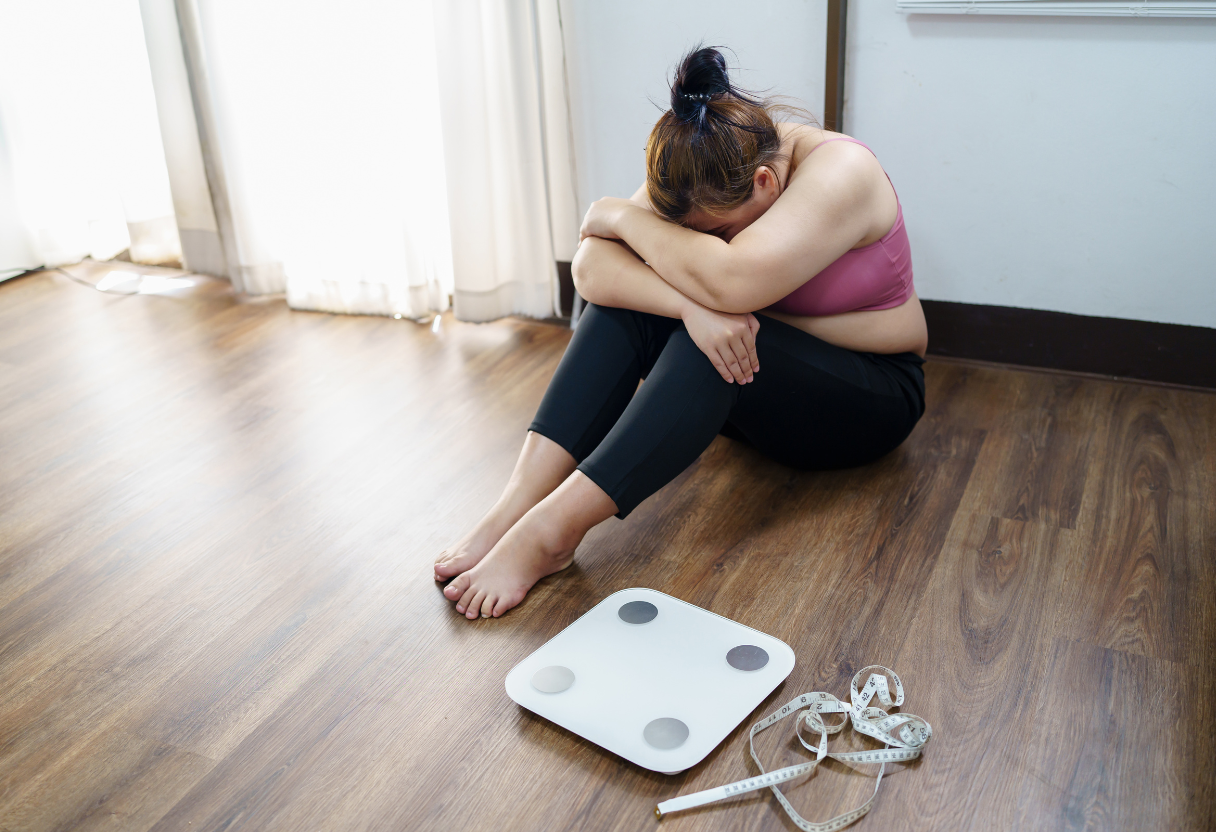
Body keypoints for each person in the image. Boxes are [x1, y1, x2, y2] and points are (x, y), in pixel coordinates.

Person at [434, 46, 927, 620]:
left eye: (714, 233)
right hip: (754, 375)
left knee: (715, 336)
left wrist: (618, 217)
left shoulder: (841, 173)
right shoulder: (705, 160)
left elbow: (731, 282)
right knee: (641, 309)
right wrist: (688, 304)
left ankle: (550, 533)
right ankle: (513, 508)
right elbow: (593, 273)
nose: (704, 243)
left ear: (765, 183)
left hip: (868, 400)